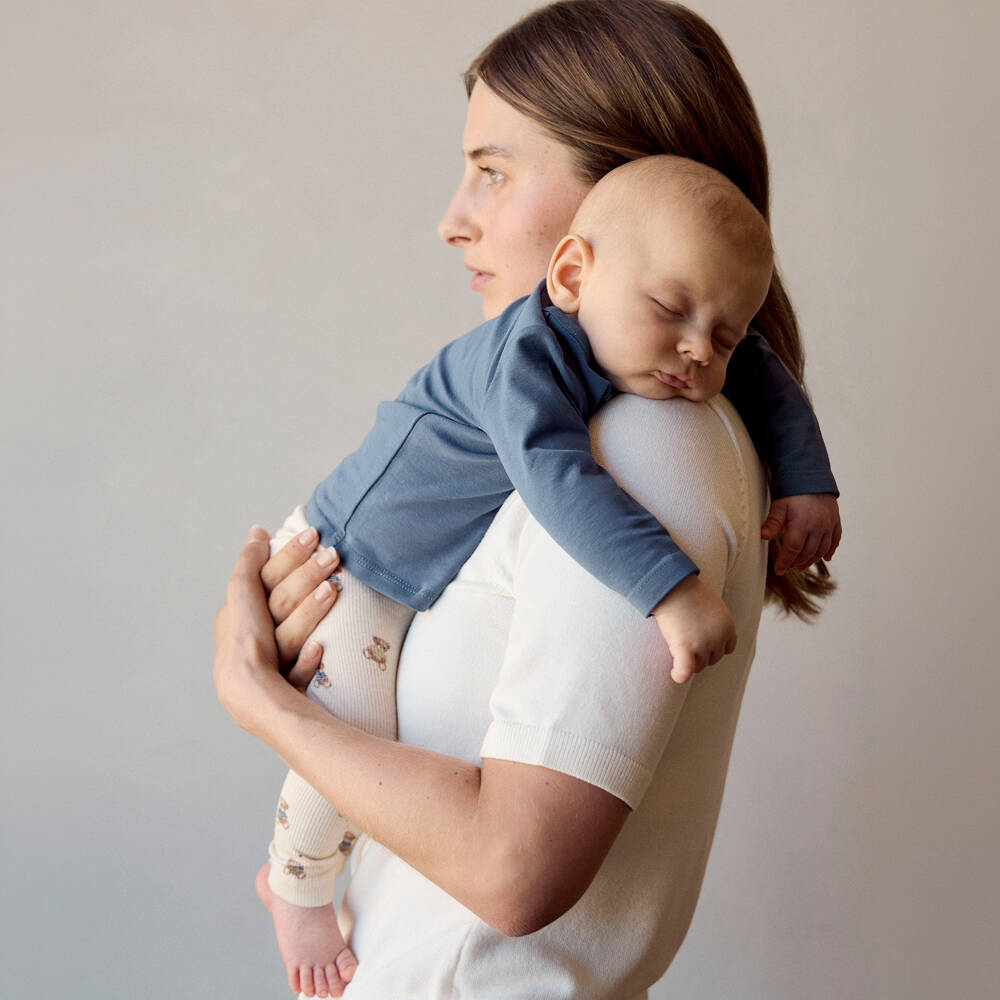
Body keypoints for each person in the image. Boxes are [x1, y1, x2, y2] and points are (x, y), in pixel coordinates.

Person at [213, 2, 842, 997]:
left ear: (632, 188)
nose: (453, 215)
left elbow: (517, 872)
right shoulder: (601, 409)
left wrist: (261, 699)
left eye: (495, 170)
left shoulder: (644, 437)